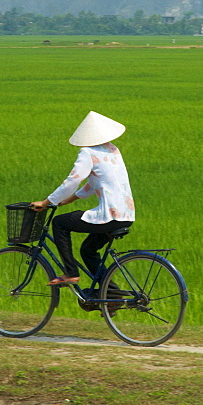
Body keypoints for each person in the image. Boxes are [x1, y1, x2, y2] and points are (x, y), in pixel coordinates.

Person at [31, 111, 135, 286]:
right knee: (88, 250)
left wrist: (47, 202)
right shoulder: (113, 149)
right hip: (126, 215)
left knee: (59, 223)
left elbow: (73, 180)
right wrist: (69, 200)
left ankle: (70, 272)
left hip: (109, 215)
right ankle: (111, 294)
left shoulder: (87, 152)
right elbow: (96, 182)